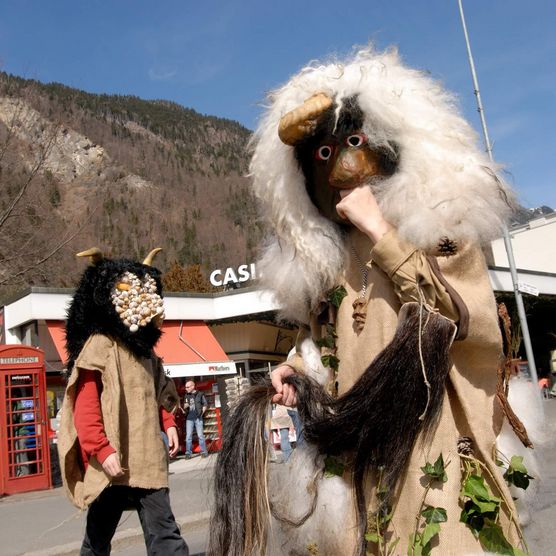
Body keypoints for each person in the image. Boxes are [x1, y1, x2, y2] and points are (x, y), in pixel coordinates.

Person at [209, 46, 532, 556]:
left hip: (431, 455)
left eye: (355, 142)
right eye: (324, 155)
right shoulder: (329, 261)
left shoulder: (441, 227)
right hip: (359, 463)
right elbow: (323, 342)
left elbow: (452, 319)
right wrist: (294, 370)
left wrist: (382, 231)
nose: (343, 167)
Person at [57, 247, 189, 556]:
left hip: (146, 456)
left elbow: (159, 391)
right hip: (112, 461)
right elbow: (85, 406)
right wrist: (101, 450)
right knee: (97, 539)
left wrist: (168, 422)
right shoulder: (99, 347)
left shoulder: (146, 353)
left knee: (165, 534)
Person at [183, 380, 208, 459]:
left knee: (200, 435)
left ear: (193, 386)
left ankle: (203, 452)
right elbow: (184, 406)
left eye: (187, 387)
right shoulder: (186, 395)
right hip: (189, 418)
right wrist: (185, 406)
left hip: (198, 418)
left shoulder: (200, 394)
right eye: (186, 387)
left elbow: (205, 404)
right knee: (188, 436)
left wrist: (201, 414)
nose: (186, 388)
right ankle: (188, 453)